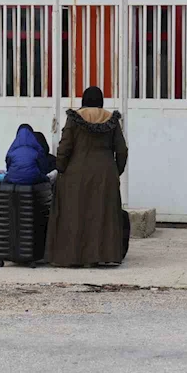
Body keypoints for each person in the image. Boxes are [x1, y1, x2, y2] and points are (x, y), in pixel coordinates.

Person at [46, 86, 128, 267]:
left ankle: (75, 257)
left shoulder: (74, 119)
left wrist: (61, 168)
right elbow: (121, 150)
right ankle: (99, 256)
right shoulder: (111, 120)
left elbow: (64, 147)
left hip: (76, 173)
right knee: (101, 216)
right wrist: (115, 171)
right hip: (105, 173)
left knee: (75, 215)